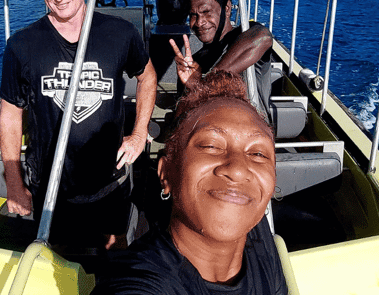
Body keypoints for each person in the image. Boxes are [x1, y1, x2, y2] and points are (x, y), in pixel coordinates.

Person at [0, 0, 157, 250]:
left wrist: (138, 135)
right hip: (51, 186)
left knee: (116, 250)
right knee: (59, 259)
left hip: (110, 181)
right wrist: (15, 184)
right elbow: (10, 115)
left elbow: (147, 76)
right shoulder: (21, 46)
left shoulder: (120, 34)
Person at [92, 71, 288, 294]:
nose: (237, 170)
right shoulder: (139, 282)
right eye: (211, 146)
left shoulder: (256, 229)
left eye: (258, 154)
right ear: (166, 174)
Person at [170, 0, 273, 104]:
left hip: (254, 121)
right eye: (193, 15)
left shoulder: (244, 37)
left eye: (207, 12)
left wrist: (208, 81)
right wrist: (192, 86)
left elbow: (263, 37)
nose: (199, 22)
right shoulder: (194, 63)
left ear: (227, 9)